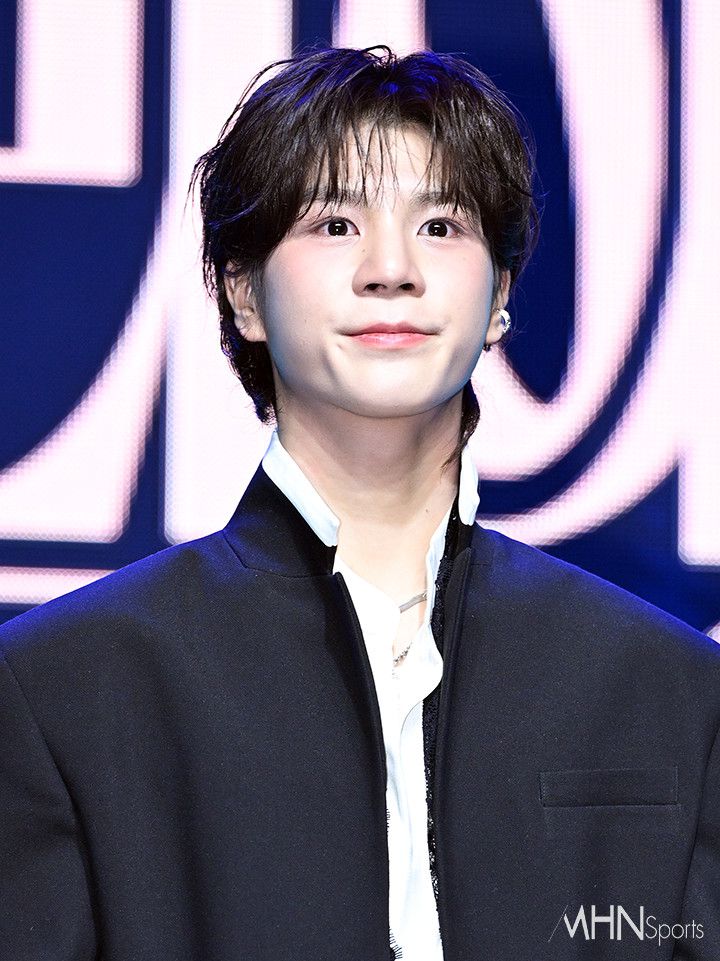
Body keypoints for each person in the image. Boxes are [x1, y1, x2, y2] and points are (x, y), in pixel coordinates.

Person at [1, 44, 719, 961]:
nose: (391, 268)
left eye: (441, 225)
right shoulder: (67, 687)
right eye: (336, 223)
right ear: (243, 292)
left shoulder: (665, 686)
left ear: (500, 296)